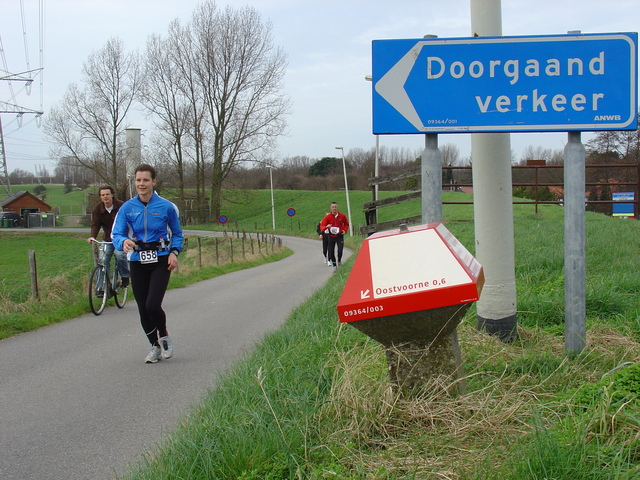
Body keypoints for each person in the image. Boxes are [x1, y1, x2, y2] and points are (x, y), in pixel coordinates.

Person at [111, 164, 184, 364]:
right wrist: (122, 242)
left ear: (154, 182)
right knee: (143, 307)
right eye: (138, 180)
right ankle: (154, 346)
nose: (141, 184)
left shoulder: (166, 207)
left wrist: (174, 252)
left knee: (153, 304)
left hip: (161, 259)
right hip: (137, 259)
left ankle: (164, 335)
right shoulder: (127, 208)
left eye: (145, 180)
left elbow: (177, 233)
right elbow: (116, 233)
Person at [86, 185, 130, 295]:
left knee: (120, 255)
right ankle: (101, 288)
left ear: (112, 195)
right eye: (102, 195)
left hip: (120, 238)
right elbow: (95, 224)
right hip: (107, 239)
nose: (105, 197)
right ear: (100, 197)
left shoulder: (121, 206)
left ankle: (125, 276)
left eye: (107, 194)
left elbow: (129, 222)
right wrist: (92, 237)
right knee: (102, 261)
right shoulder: (97, 209)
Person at [319, 202, 349, 271]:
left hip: (339, 235)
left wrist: (344, 230)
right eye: (333, 207)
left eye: (335, 207)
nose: (334, 208)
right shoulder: (328, 217)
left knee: (340, 250)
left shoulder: (342, 216)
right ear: (331, 208)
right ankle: (334, 264)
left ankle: (339, 261)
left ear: (337, 207)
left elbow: (346, 224)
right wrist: (326, 227)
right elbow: (322, 226)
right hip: (331, 236)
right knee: (331, 251)